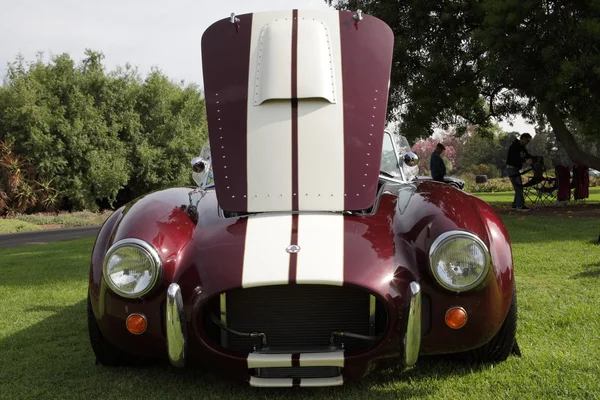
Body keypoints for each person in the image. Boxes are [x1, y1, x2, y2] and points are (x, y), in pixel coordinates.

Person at [505, 133, 533, 210]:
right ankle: (520, 206)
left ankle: (515, 205)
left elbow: (527, 155)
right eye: (527, 141)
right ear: (523, 138)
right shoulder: (514, 146)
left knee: (518, 187)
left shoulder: (522, 148)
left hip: (515, 169)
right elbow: (515, 158)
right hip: (511, 169)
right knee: (519, 187)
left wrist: (530, 158)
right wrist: (525, 161)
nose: (528, 143)